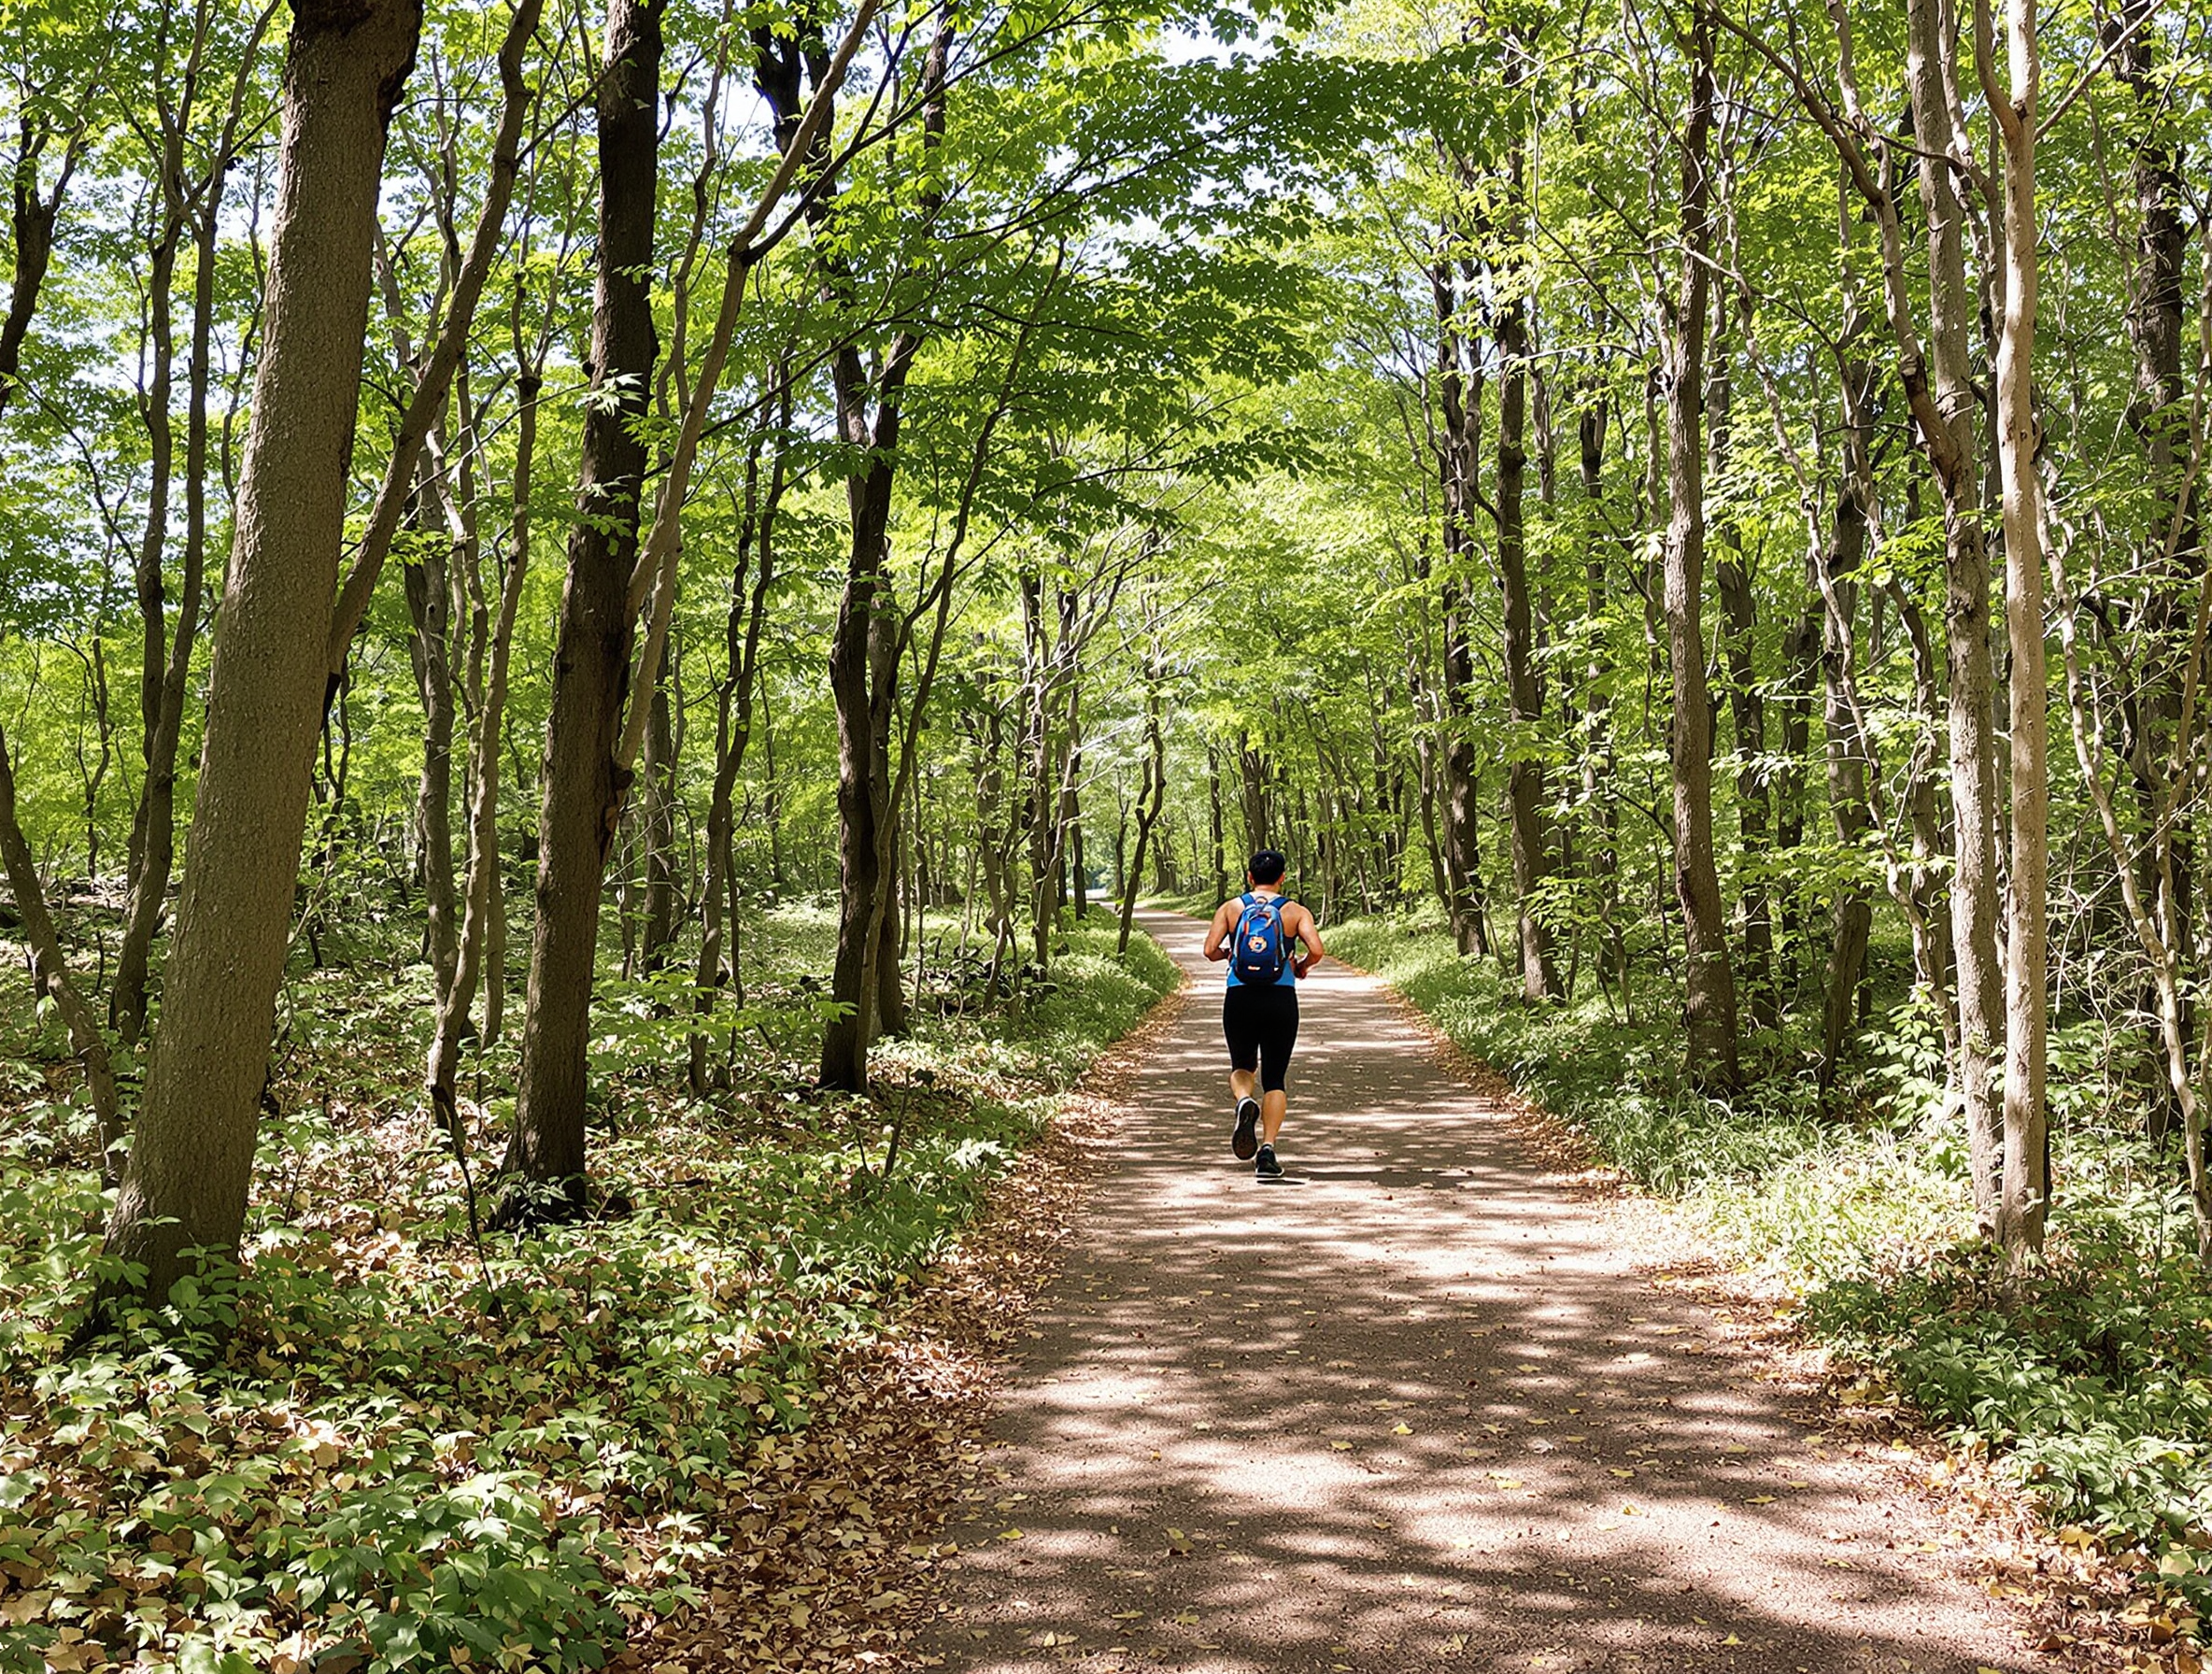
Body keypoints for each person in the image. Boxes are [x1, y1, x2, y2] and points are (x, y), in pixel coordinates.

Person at [1203, 849, 1324, 1180]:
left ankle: (1244, 1100)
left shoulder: (1231, 908)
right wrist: (1300, 966)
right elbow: (1317, 949)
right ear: (1283, 877)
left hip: (1239, 996)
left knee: (1242, 1065)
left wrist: (1229, 953)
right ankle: (1267, 1152)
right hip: (1280, 998)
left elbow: (1209, 950)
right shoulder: (1295, 911)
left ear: (1250, 877)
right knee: (1275, 1077)